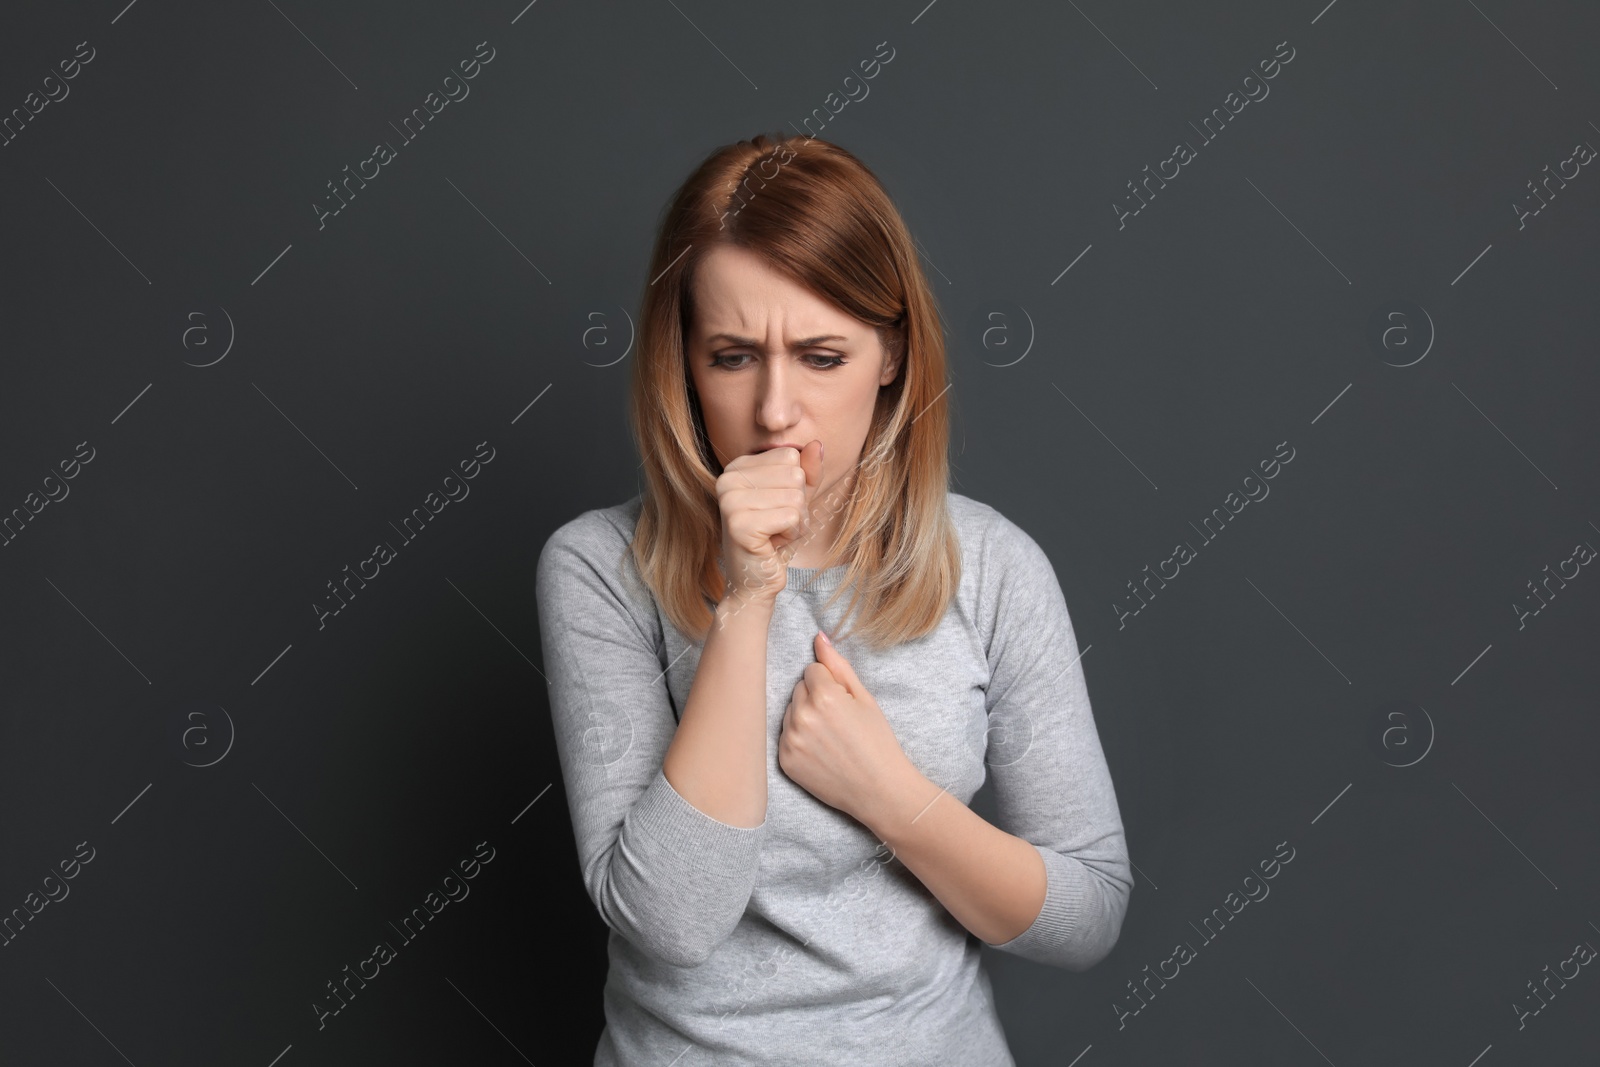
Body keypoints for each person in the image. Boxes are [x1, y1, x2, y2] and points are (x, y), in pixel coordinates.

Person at [536, 131, 1131, 1066]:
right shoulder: (601, 567)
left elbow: (1086, 913)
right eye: (732, 356)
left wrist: (892, 797)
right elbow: (673, 922)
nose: (776, 411)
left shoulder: (994, 566)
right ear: (682, 362)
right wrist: (745, 602)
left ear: (891, 354)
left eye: (822, 356)